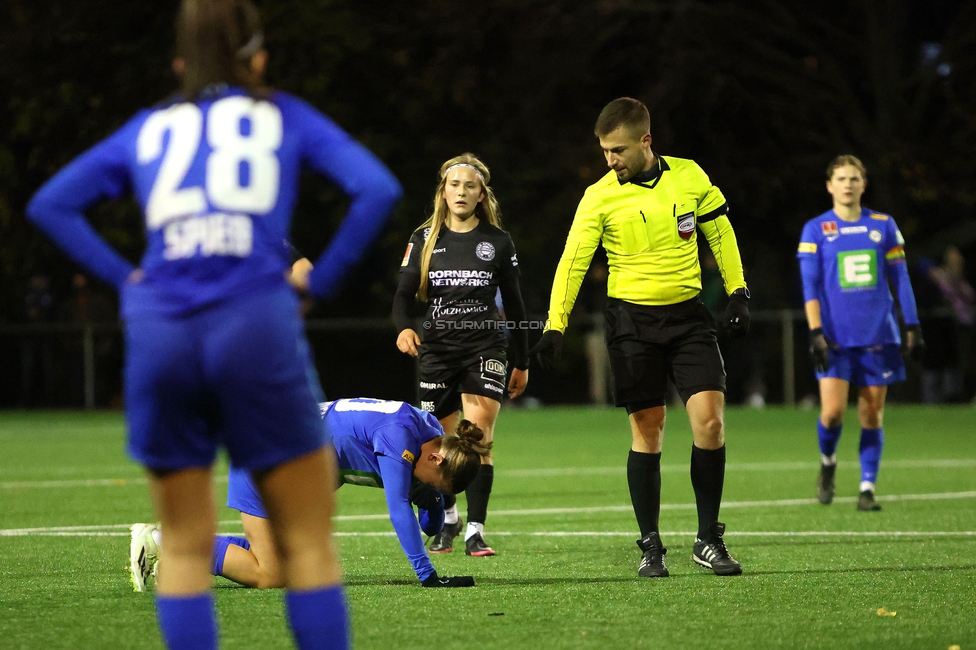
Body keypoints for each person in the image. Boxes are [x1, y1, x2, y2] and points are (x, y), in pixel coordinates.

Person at [25, 1, 402, 648]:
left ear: (179, 64)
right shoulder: (278, 113)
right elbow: (377, 188)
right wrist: (323, 281)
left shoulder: (148, 127)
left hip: (162, 330)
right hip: (253, 322)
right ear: (256, 58)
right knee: (308, 543)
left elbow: (52, 204)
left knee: (184, 545)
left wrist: (127, 280)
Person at [529, 97, 750, 578]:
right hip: (630, 322)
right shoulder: (599, 196)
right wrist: (555, 324)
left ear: (646, 141)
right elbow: (572, 263)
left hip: (689, 318)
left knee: (710, 423)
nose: (610, 160)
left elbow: (722, 234)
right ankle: (651, 545)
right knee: (648, 433)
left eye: (618, 150)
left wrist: (738, 291)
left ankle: (708, 538)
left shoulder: (689, 176)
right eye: (605, 151)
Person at [131, 398, 488, 590]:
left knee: (285, 562)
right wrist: (428, 576)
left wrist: (432, 502)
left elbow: (428, 520)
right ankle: (168, 542)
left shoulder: (427, 434)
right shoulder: (400, 438)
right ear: (436, 457)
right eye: (435, 481)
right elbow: (397, 508)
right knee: (271, 574)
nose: (427, 485)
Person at [392, 153, 529, 557]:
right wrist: (402, 327)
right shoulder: (423, 239)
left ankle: (475, 529)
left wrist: (521, 361)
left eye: (470, 186)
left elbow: (518, 307)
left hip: (485, 347)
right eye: (455, 185)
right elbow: (402, 295)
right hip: (437, 352)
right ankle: (449, 515)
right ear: (444, 191)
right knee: (439, 439)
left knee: (479, 435)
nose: (462, 192)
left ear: (481, 193)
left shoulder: (498, 242)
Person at [797, 155, 923, 512]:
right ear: (829, 185)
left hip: (878, 336)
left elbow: (901, 279)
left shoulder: (883, 226)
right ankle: (828, 462)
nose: (848, 184)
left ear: (863, 184)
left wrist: (912, 325)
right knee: (833, 412)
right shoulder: (816, 230)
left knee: (871, 415)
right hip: (834, 338)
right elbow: (810, 286)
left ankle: (867, 488)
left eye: (854, 178)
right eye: (841, 178)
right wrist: (815, 332)